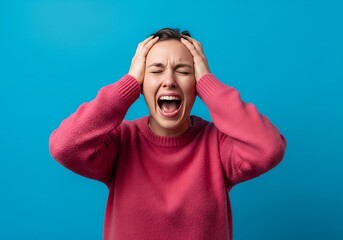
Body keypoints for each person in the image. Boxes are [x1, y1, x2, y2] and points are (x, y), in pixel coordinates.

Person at [49, 28, 287, 240]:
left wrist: (208, 83)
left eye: (183, 71)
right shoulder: (122, 142)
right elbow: (64, 146)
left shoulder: (217, 145)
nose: (169, 81)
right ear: (142, 84)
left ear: (196, 85)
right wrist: (128, 84)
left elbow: (269, 148)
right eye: (156, 71)